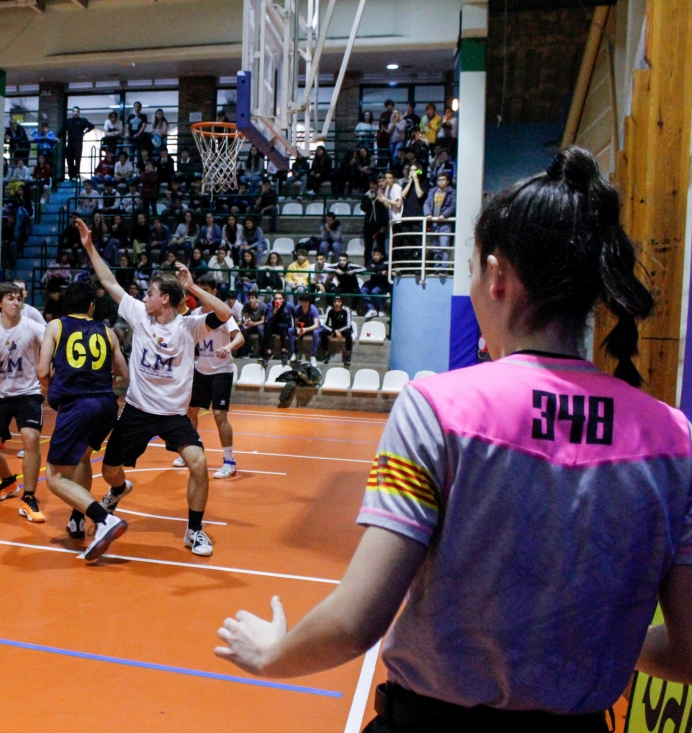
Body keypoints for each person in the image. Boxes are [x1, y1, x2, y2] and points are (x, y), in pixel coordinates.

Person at [216, 148, 692, 731]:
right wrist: (587, 636)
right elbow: (688, 653)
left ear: (496, 276)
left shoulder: (438, 409)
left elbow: (355, 622)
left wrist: (272, 653)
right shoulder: (675, 438)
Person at [77, 220, 234, 556]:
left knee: (199, 464)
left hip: (174, 415)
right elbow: (109, 281)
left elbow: (224, 313)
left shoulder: (189, 326)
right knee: (109, 471)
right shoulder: (139, 315)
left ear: (164, 299)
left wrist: (192, 287)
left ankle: (194, 531)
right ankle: (118, 490)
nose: (143, 296)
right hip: (137, 410)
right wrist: (90, 247)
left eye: (149, 293)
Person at [37, 281, 130, 560]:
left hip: (78, 406)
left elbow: (42, 371)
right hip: (106, 405)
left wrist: (49, 389)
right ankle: (77, 518)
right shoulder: (107, 331)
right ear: (91, 305)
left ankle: (104, 519)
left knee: (54, 477)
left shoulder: (56, 326)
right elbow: (124, 374)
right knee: (82, 458)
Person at [0, 282, 47, 523]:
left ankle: (29, 497)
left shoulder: (33, 327)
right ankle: (8, 482)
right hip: (0, 395)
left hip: (29, 393)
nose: (16, 302)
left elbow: (51, 342)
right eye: (10, 298)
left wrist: (49, 369)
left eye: (18, 298)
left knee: (31, 438)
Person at [171, 274, 244, 479]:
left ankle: (229, 461)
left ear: (213, 291)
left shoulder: (222, 313)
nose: (200, 293)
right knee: (190, 411)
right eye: (198, 289)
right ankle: (191, 451)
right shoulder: (195, 314)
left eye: (205, 289)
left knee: (219, 415)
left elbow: (240, 337)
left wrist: (228, 347)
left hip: (221, 370)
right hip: (201, 369)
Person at [60, 107, 94, 181]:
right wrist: (57, 137)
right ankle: (71, 176)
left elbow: (91, 126)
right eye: (74, 111)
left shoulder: (82, 121)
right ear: (72, 112)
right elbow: (62, 130)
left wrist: (85, 132)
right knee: (69, 159)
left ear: (79, 113)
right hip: (70, 142)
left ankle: (76, 174)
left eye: (77, 111)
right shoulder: (68, 121)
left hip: (78, 142)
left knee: (77, 159)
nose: (75, 113)